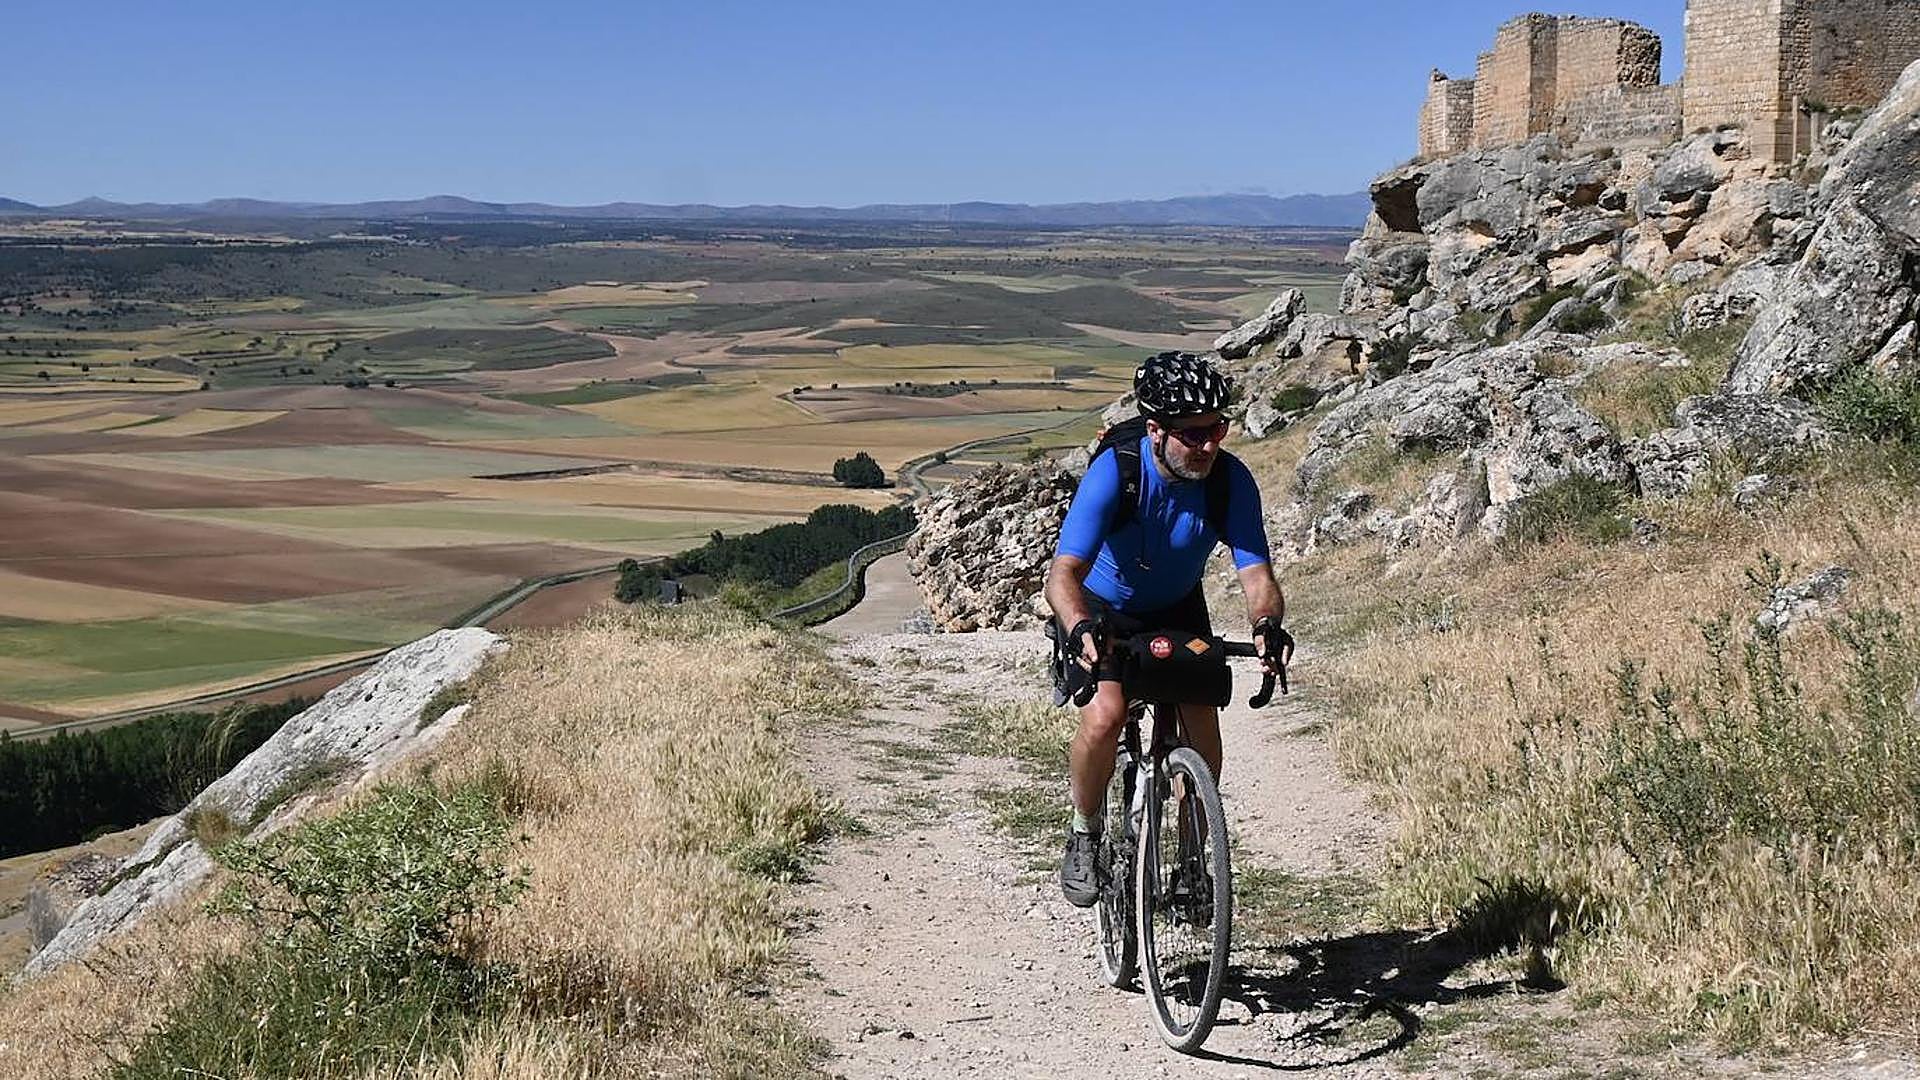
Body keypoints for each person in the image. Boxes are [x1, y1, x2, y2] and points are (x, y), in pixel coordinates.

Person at [1044, 351, 1288, 908]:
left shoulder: (1229, 481)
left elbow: (1257, 575)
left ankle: (1194, 859)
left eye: (1217, 430)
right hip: (1103, 608)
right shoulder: (1118, 471)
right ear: (1155, 430)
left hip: (1178, 606)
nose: (1208, 445)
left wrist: (1267, 624)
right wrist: (1080, 626)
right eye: (1193, 434)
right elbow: (1062, 574)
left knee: (1201, 725)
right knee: (1105, 716)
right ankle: (1084, 834)